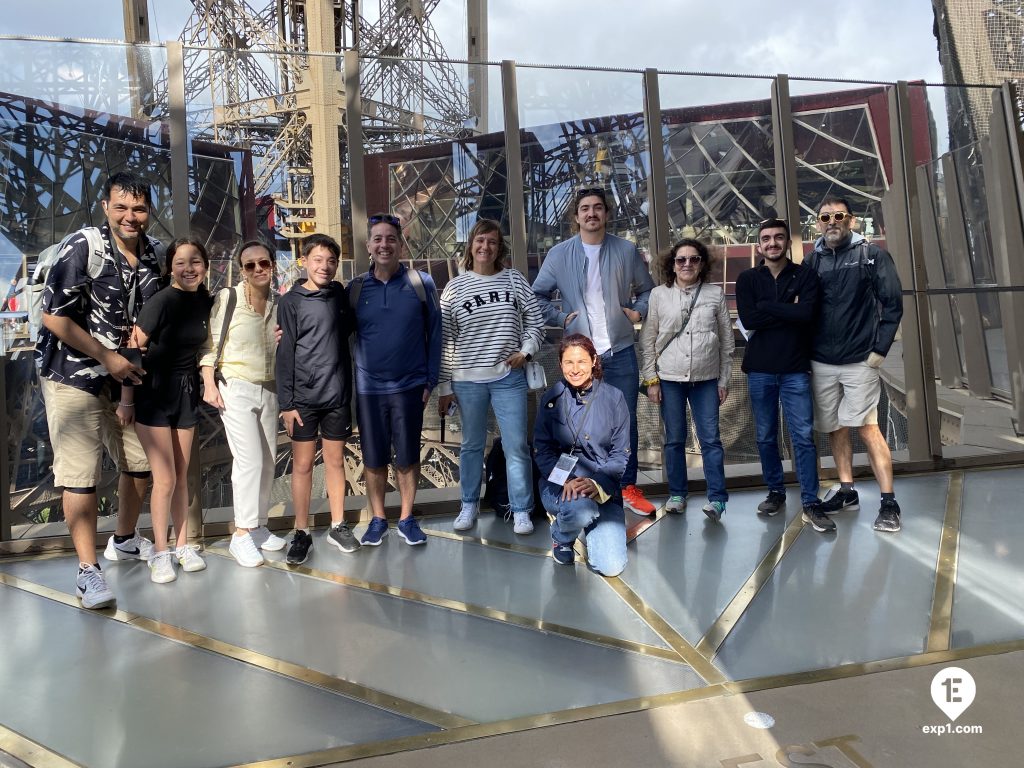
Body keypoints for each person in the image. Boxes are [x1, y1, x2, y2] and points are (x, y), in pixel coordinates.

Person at [37, 171, 162, 608]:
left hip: (124, 380)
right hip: (73, 374)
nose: (131, 216)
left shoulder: (153, 255)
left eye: (139, 208)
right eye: (122, 207)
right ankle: (88, 571)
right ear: (106, 207)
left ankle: (124, 539)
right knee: (80, 475)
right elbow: (52, 316)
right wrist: (105, 356)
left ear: (150, 211)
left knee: (141, 465)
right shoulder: (83, 246)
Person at [532, 187, 657, 516]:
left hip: (620, 351)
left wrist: (637, 312)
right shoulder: (559, 254)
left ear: (606, 213)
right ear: (576, 217)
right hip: (580, 356)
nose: (591, 213)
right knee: (574, 425)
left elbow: (647, 290)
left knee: (624, 423)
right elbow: (537, 296)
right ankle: (580, 485)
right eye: (585, 208)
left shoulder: (627, 251)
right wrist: (560, 318)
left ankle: (625, 487)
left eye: (598, 208)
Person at [437, 219, 545, 534]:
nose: (486, 247)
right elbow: (446, 341)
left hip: (508, 377)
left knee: (516, 446)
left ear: (500, 248)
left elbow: (536, 323)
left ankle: (522, 508)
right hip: (466, 380)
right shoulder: (455, 287)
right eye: (480, 240)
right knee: (471, 446)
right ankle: (468, 505)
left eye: (493, 242)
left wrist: (525, 352)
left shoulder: (514, 280)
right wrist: (445, 387)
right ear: (471, 245)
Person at [805, 196, 904, 533]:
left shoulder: (872, 255)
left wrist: (879, 351)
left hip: (860, 359)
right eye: (825, 217)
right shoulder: (812, 261)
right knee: (834, 426)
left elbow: (892, 304)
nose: (832, 221)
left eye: (839, 216)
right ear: (818, 222)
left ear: (851, 220)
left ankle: (889, 501)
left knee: (867, 426)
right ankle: (847, 491)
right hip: (822, 361)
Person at [118, 238, 214, 583]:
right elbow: (133, 350)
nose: (189, 269)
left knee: (183, 476)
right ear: (169, 267)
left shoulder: (205, 301)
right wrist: (126, 400)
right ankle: (161, 551)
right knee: (166, 479)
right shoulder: (160, 302)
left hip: (185, 394)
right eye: (181, 262)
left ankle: (183, 545)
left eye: (196, 261)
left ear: (205, 265)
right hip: (153, 394)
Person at [736, 218, 835, 534]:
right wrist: (786, 309)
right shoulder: (747, 279)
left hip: (795, 369)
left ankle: (810, 500)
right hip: (760, 370)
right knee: (765, 437)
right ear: (759, 245)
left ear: (786, 243)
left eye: (779, 237)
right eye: (767, 238)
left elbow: (806, 314)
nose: (773, 243)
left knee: (803, 438)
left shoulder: (806, 275)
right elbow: (749, 317)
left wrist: (769, 307)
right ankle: (775, 492)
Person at [349, 214, 441, 547]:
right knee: (373, 458)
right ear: (368, 245)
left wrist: (431, 380)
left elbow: (437, 333)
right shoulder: (356, 288)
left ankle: (405, 518)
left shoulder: (421, 283)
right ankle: (377, 518)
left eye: (391, 238)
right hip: (369, 389)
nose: (384, 244)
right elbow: (334, 330)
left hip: (410, 387)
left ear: (400, 244)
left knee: (407, 456)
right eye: (378, 239)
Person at [200, 240, 285, 568]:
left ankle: (259, 526)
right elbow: (210, 341)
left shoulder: (278, 302)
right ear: (241, 270)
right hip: (235, 386)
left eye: (263, 263)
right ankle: (241, 534)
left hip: (269, 388)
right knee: (248, 459)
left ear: (272, 266)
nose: (258, 270)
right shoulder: (228, 297)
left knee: (267, 460)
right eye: (250, 265)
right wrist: (209, 383)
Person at [639, 239, 733, 522]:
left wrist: (724, 380)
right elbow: (648, 340)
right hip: (669, 378)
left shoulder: (715, 295)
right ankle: (677, 494)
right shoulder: (658, 295)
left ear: (702, 263)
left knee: (711, 441)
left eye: (694, 259)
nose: (687, 264)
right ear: (673, 264)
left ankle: (717, 499)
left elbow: (727, 341)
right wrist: (651, 380)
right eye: (681, 260)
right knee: (674, 440)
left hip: (707, 379)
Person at [277, 234, 357, 564]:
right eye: (318, 260)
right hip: (303, 400)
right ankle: (301, 531)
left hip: (336, 395)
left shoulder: (338, 294)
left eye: (331, 261)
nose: (325, 266)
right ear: (305, 261)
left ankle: (338, 525)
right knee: (303, 465)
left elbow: (351, 328)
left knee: (336, 462)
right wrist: (286, 403)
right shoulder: (291, 301)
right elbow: (285, 353)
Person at [534, 334, 629, 576]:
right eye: (569, 363)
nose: (575, 370)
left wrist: (597, 484)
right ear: (560, 364)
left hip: (602, 484)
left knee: (611, 566)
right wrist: (564, 480)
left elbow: (620, 453)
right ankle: (561, 536)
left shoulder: (614, 398)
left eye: (581, 362)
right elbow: (542, 450)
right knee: (581, 510)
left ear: (594, 360)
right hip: (561, 482)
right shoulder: (551, 398)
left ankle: (583, 519)